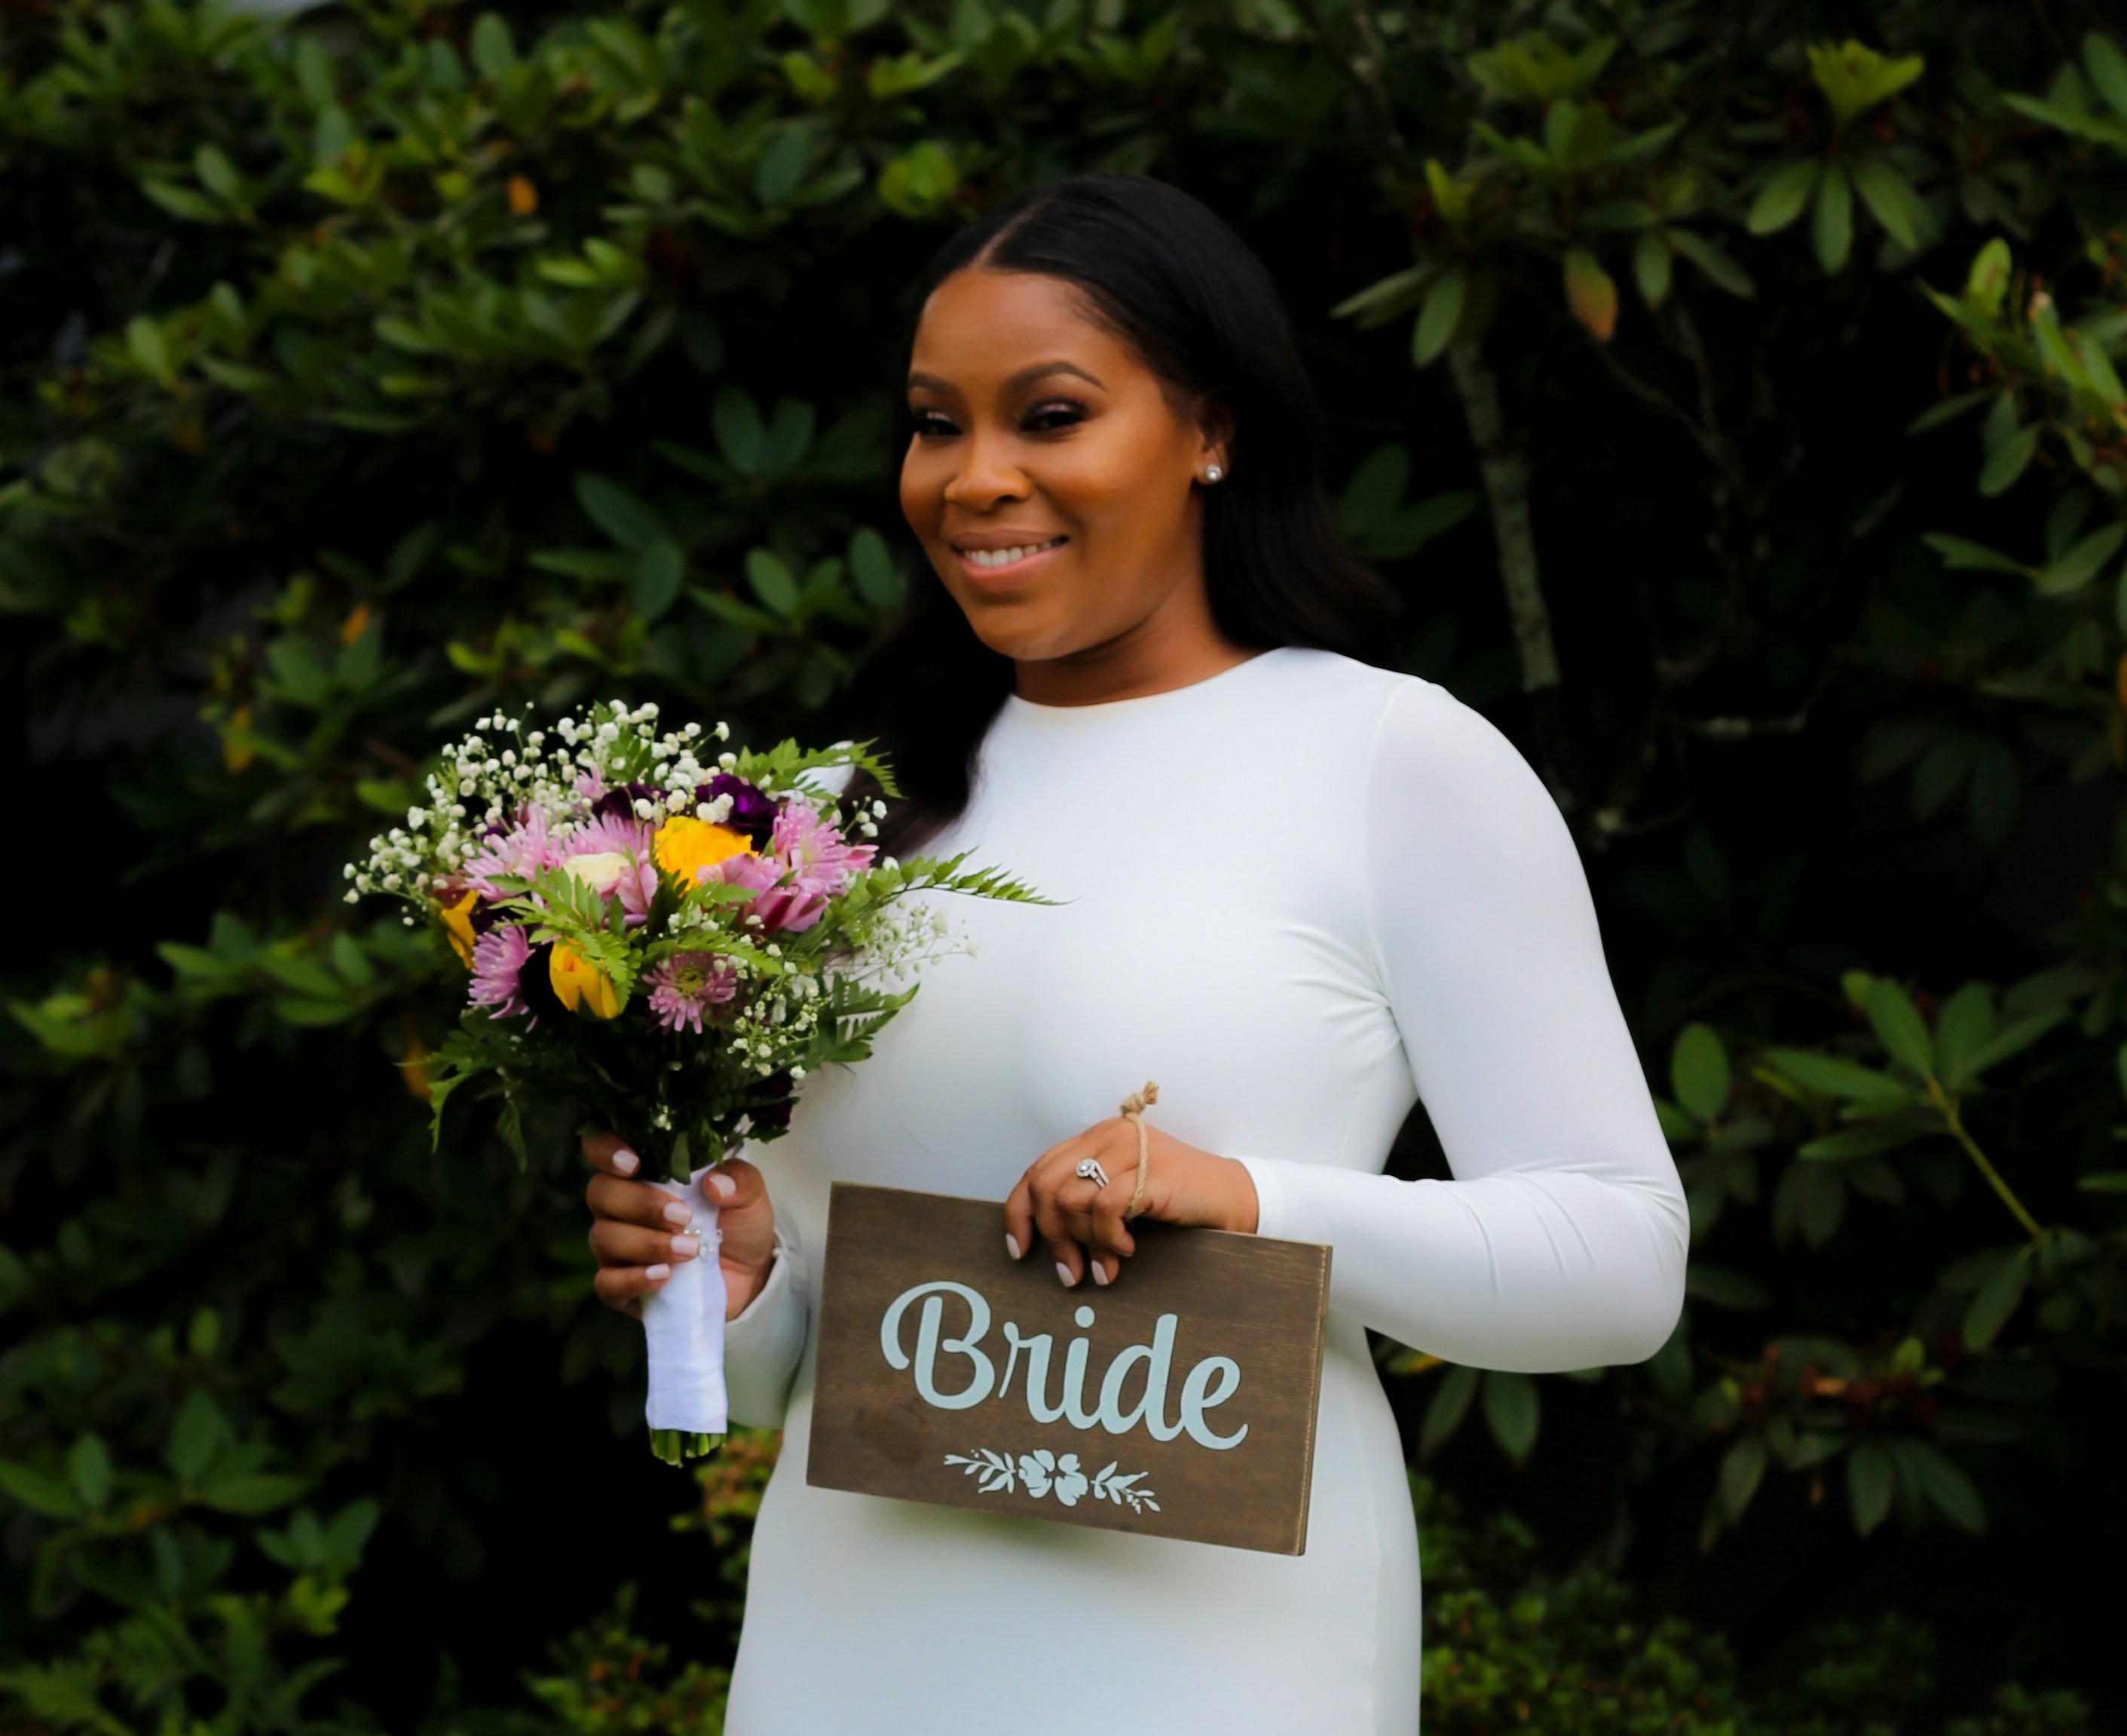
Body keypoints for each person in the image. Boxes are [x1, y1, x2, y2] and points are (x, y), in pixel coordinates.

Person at [580, 173, 1687, 1734]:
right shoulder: (832, 818)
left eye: (1048, 415)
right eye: (933, 423)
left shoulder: (1386, 761)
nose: (973, 481)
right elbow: (793, 1378)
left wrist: (1246, 1203)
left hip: (1215, 1666)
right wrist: (735, 1285)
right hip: (849, 1647)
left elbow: (1619, 1268)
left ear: (1210, 432)